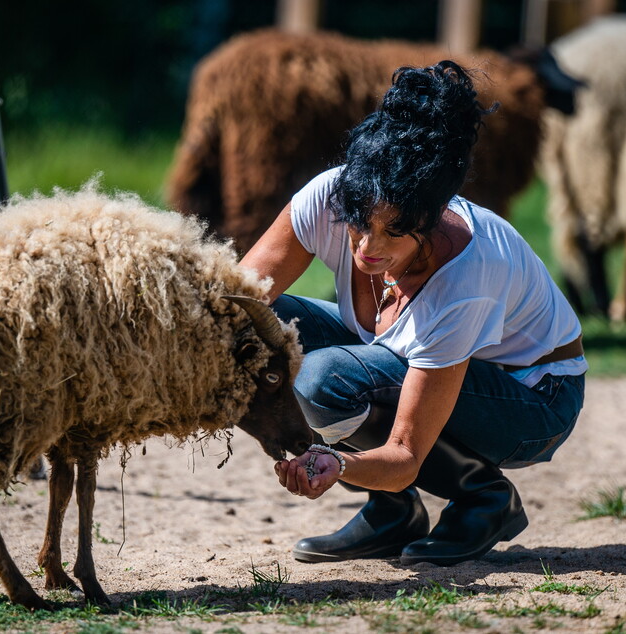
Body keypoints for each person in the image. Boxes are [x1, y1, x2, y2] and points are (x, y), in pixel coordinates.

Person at [239, 60, 586, 566]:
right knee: (259, 328)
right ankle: (394, 516)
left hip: (533, 398)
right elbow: (238, 300)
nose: (367, 248)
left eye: (395, 231)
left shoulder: (467, 278)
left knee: (324, 382)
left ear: (433, 217)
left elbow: (404, 455)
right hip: (423, 364)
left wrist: (336, 462)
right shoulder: (330, 196)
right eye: (360, 222)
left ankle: (483, 498)